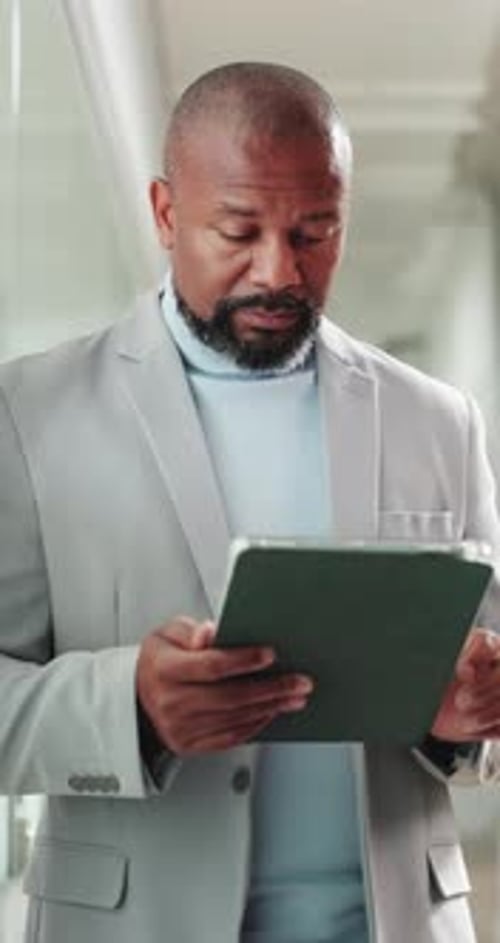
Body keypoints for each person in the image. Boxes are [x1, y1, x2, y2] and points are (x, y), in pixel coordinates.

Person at [1, 61, 500, 943]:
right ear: (165, 213)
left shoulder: (438, 421)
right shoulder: (31, 413)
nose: (279, 270)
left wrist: (469, 719)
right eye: (239, 230)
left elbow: (488, 674)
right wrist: (130, 706)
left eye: (316, 232)